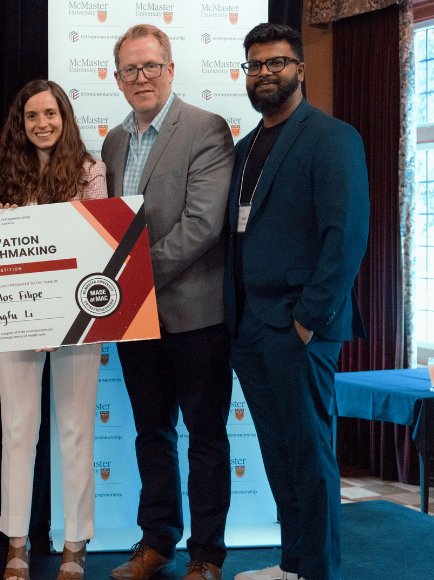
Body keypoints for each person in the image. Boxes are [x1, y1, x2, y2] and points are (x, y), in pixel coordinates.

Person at [228, 24, 368, 580]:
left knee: (310, 455)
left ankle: (317, 572)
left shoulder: (333, 137)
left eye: (277, 63)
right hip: (249, 327)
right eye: (255, 65)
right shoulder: (243, 149)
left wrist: (309, 320)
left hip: (298, 327)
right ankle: (292, 566)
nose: (265, 73)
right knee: (279, 455)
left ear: (300, 69)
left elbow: (345, 235)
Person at [101, 25, 235, 580]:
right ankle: (157, 542)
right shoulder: (111, 141)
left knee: (204, 436)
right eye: (130, 69)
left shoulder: (205, 129)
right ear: (116, 78)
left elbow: (202, 225)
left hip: (196, 315)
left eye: (151, 66)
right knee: (151, 433)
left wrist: (127, 280)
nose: (142, 78)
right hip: (137, 321)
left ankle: (206, 554)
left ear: (172, 68)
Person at [0, 79, 108, 580]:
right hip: (17, 317)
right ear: (20, 123)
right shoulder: (6, 170)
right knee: (17, 428)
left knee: (76, 429)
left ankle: (75, 545)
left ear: (65, 118)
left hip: (78, 317)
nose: (42, 124)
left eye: (50, 114)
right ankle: (16, 542)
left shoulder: (90, 170)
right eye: (31, 116)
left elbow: (96, 244)